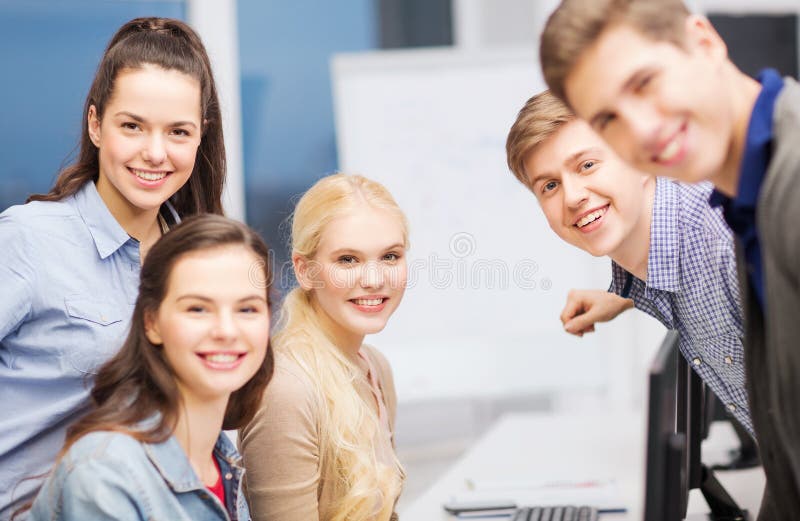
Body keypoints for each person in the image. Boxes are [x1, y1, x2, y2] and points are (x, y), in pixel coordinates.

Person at [539, 1, 800, 516]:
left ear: (704, 41)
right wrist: (623, 296)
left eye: (644, 82)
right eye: (608, 119)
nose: (640, 129)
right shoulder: (748, 208)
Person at [0, 17, 226, 517]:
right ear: (95, 124)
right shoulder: (29, 240)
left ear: (200, 137)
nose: (155, 152)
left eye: (178, 132)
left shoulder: (199, 261)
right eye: (132, 126)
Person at [505, 91, 749, 435]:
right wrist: (624, 297)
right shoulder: (665, 259)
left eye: (587, 165)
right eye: (550, 185)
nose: (572, 197)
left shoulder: (725, 245)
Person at [23, 215, 272, 520]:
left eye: (247, 309)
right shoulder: (106, 474)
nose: (226, 331)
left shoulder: (220, 460)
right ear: (151, 322)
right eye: (198, 308)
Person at [240, 173, 407, 521]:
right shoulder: (285, 391)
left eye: (390, 256)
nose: (374, 279)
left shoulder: (375, 367)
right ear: (305, 271)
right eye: (348, 260)